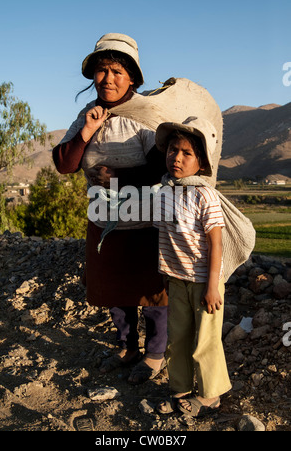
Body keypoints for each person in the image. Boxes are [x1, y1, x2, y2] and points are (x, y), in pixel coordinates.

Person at [52, 33, 168, 384]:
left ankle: (154, 355)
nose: (108, 79)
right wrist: (87, 130)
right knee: (115, 292)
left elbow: (161, 166)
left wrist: (119, 174)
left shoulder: (145, 115)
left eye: (117, 71)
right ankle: (126, 345)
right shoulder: (86, 115)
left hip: (145, 222)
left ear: (132, 77)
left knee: (151, 292)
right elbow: (65, 164)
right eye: (102, 70)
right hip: (104, 223)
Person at [153, 117, 232, 417]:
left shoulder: (205, 195)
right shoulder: (164, 192)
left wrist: (212, 286)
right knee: (178, 338)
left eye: (187, 153)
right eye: (173, 150)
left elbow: (216, 244)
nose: (177, 157)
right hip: (176, 279)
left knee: (206, 341)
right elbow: (165, 237)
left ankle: (211, 396)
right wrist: (165, 274)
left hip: (204, 282)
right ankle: (181, 390)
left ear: (201, 162)